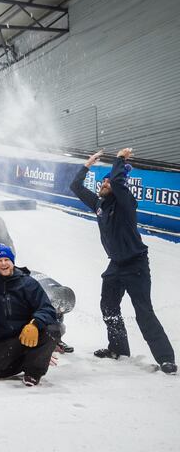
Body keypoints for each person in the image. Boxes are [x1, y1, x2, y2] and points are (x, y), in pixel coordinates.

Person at [70, 149, 176, 374]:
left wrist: (119, 159)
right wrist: (87, 164)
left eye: (108, 182)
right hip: (116, 264)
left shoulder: (126, 203)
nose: (104, 184)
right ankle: (118, 349)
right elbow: (76, 187)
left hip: (136, 264)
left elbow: (118, 182)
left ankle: (165, 358)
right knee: (108, 306)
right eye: (103, 182)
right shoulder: (99, 205)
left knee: (143, 311)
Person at [0, 244, 60, 386]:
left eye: (7, 259)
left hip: (29, 332)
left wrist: (34, 324)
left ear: (12, 262)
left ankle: (33, 372)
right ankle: (30, 358)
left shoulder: (28, 283)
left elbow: (47, 309)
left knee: (52, 330)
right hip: (7, 339)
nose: (3, 263)